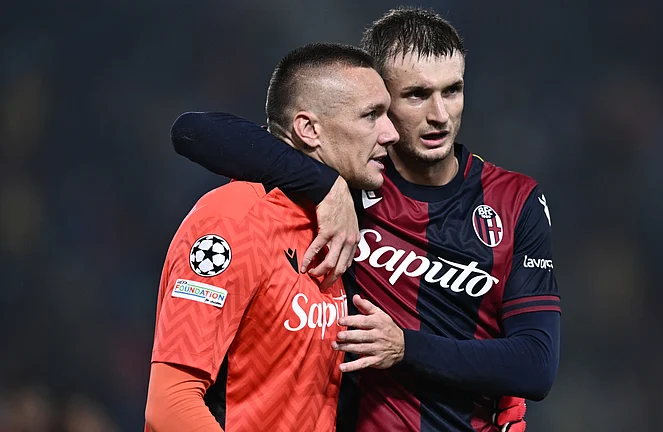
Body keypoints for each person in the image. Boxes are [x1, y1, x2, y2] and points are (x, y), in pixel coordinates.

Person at [171, 7, 560, 432]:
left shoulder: (516, 199)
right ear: (380, 98)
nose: (440, 115)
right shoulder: (355, 178)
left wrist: (405, 347)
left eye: (452, 91)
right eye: (416, 95)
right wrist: (324, 184)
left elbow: (536, 365)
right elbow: (194, 131)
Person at [144, 42, 399, 432]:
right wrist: (325, 184)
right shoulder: (232, 223)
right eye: (371, 116)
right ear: (309, 128)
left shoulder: (341, 224)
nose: (391, 133)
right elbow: (170, 406)